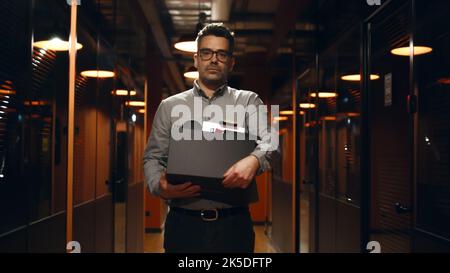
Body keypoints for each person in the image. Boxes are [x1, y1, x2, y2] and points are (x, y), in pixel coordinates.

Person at [143, 23, 273, 253]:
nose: (214, 59)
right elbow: (153, 157)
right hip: (183, 226)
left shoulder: (249, 101)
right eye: (207, 53)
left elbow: (271, 143)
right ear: (196, 59)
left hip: (234, 226)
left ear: (231, 62)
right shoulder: (169, 106)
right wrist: (159, 186)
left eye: (222, 54)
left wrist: (253, 160)